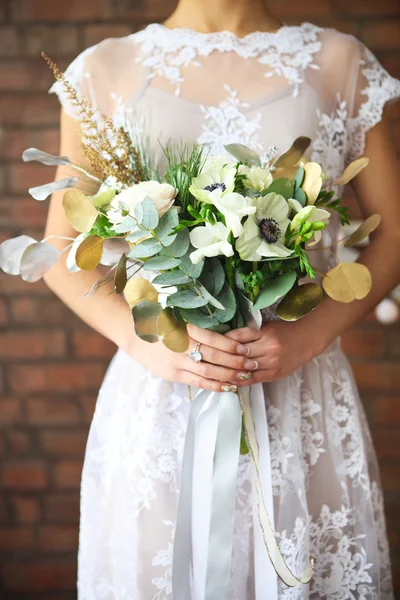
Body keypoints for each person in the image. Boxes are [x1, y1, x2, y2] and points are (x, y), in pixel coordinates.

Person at [43, 0, 400, 597]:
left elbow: (394, 234)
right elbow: (60, 247)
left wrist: (308, 336)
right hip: (162, 392)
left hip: (300, 391)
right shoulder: (102, 71)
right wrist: (148, 342)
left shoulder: (339, 63)